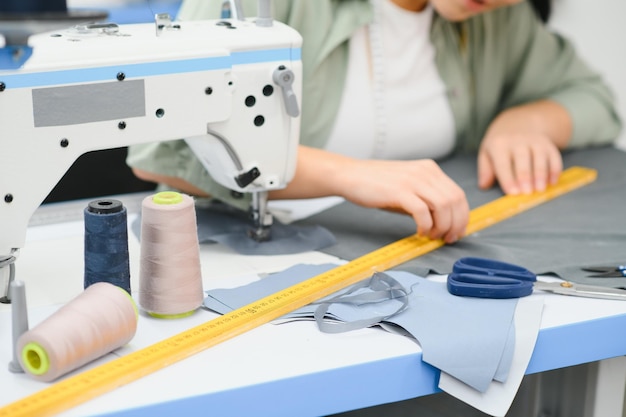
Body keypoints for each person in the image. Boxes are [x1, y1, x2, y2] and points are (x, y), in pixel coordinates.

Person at [127, 0, 622, 245]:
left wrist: (529, 121)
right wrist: (349, 174)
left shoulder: (496, 18)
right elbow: (162, 150)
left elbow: (594, 99)